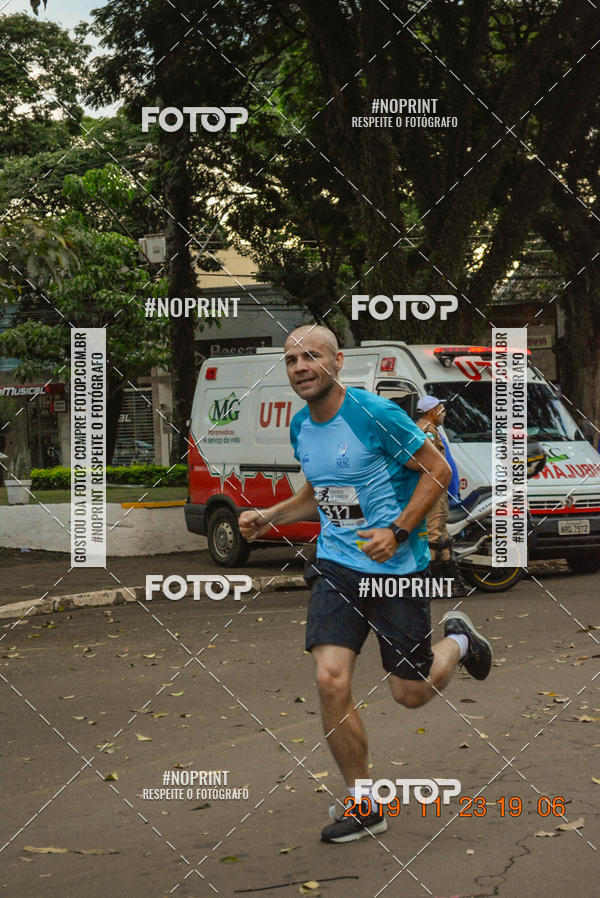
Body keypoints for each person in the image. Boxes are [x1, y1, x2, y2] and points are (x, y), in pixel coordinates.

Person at [239, 326, 492, 844]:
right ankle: (364, 805)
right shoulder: (301, 427)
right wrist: (273, 515)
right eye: (291, 360)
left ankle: (460, 641)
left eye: (311, 356)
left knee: (410, 692)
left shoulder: (375, 414)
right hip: (337, 566)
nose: (300, 367)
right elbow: (320, 490)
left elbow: (438, 469)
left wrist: (399, 531)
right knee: (331, 679)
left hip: (399, 570)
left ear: (338, 361)